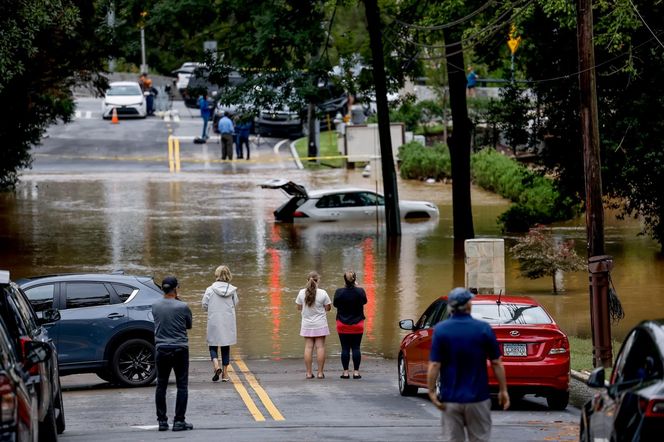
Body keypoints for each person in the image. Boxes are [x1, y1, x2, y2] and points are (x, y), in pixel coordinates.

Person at [427, 288, 509, 442]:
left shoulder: (441, 330)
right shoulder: (483, 328)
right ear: (469, 305)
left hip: (451, 398)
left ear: (450, 306)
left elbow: (435, 364)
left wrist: (431, 392)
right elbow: (497, 362)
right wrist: (503, 390)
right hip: (478, 397)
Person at [152, 276, 194, 432]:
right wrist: (179, 300)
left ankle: (162, 422)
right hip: (180, 349)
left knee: (161, 385)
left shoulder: (155, 305)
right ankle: (179, 421)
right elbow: (188, 325)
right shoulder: (182, 306)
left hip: (161, 349)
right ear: (176, 288)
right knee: (182, 386)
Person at [202, 265, 239, 383]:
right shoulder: (232, 290)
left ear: (217, 275)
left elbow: (204, 306)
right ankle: (225, 374)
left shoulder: (210, 289)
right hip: (227, 321)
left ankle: (216, 365)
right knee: (225, 346)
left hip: (214, 320)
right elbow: (236, 303)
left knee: (212, 344)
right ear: (228, 275)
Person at [295, 271, 331, 379]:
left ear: (307, 281)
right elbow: (328, 308)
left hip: (307, 324)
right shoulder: (323, 293)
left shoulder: (301, 293)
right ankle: (320, 373)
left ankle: (309, 373)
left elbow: (298, 307)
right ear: (318, 281)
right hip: (320, 324)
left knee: (308, 347)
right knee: (320, 347)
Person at [333, 270, 367, 379]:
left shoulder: (339, 292)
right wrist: (358, 287)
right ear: (355, 280)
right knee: (356, 348)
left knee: (345, 348)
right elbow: (364, 301)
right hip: (358, 324)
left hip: (342, 323)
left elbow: (335, 304)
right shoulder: (360, 291)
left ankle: (346, 372)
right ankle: (356, 372)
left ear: (344, 280)